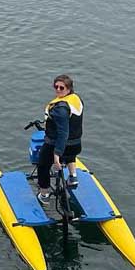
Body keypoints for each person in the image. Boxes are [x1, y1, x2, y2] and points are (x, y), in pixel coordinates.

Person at [37, 74, 84, 202]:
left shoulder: (61, 109)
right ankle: (73, 176)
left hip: (57, 144)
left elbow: (63, 133)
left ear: (69, 89)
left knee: (43, 166)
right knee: (70, 155)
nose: (58, 90)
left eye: (61, 88)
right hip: (75, 145)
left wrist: (57, 154)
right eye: (56, 87)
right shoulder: (76, 100)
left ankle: (44, 194)